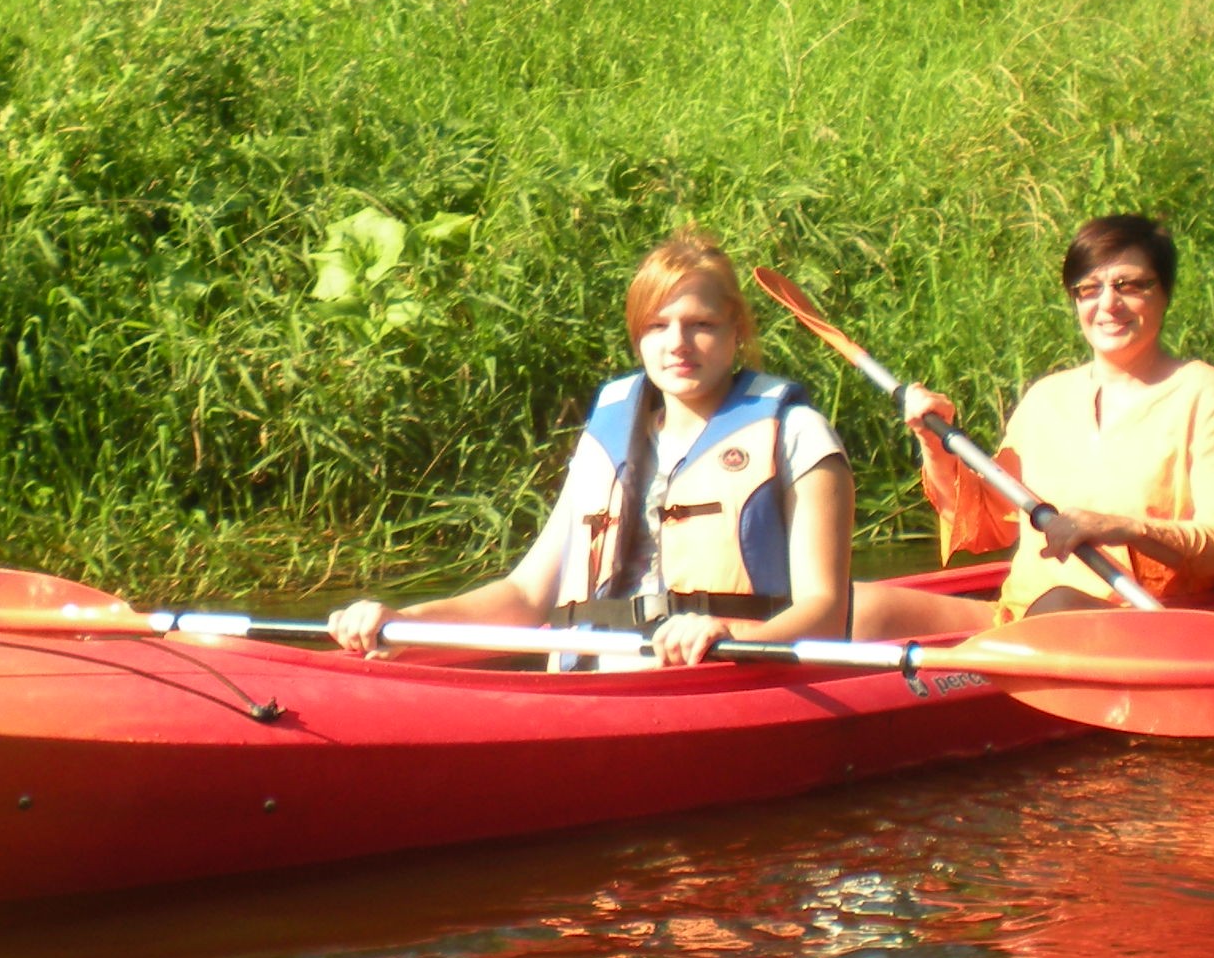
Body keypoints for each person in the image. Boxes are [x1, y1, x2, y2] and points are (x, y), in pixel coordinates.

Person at [328, 229, 854, 667]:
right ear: (637, 335)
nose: (677, 344)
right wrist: (405, 619)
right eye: (657, 326)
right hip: (593, 682)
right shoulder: (606, 443)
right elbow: (525, 596)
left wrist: (732, 637)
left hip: (724, 674)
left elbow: (825, 613)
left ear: (737, 331)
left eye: (702, 325)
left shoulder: (798, 436)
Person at [852, 213, 1214, 639]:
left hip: (1142, 624)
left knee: (1058, 606)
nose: (1107, 304)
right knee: (860, 607)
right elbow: (984, 528)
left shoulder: (1207, 394)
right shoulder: (1047, 398)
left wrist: (1126, 528)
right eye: (1089, 289)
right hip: (1022, 619)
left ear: (1164, 293)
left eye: (1129, 285)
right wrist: (935, 443)